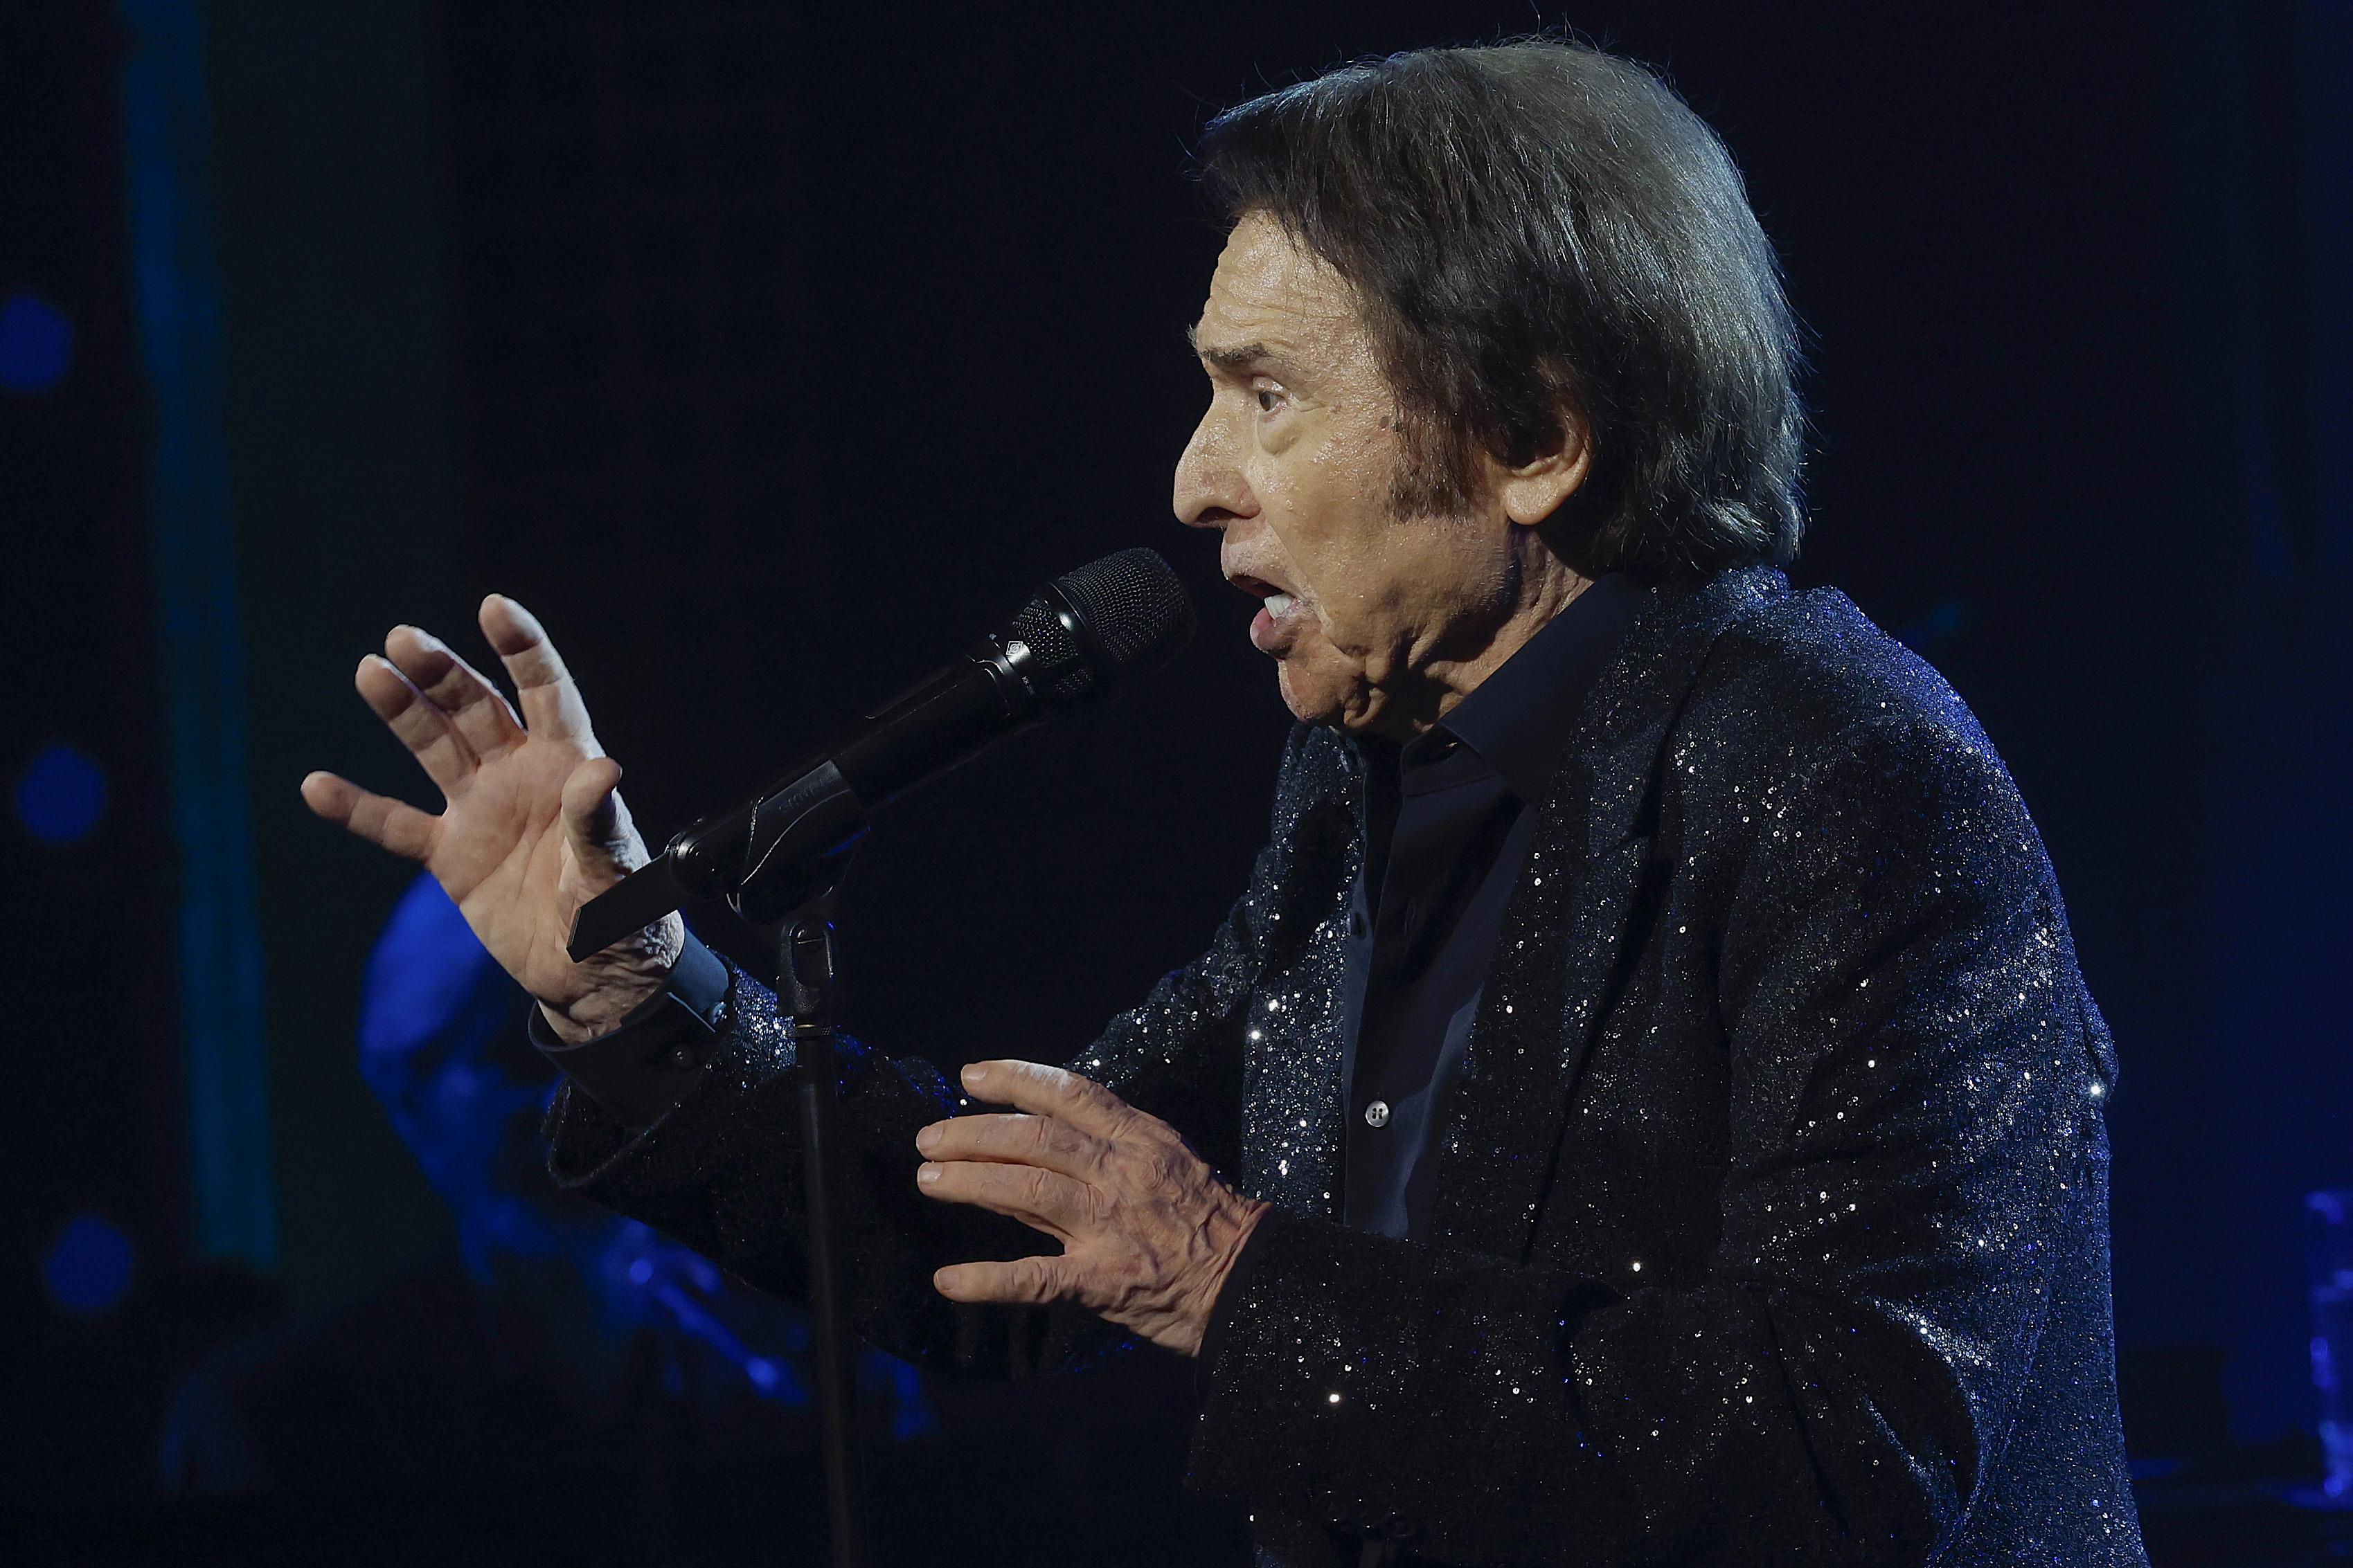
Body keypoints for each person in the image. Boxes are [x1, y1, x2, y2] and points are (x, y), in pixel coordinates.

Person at [303, 39, 2146, 1567]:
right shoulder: (1367, 783)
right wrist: (638, 993)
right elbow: (1036, 1230)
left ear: (1533, 439)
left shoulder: (1846, 773)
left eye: (1267, 396)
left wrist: (1225, 1276)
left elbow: (1851, 1450)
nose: (1195, 484)